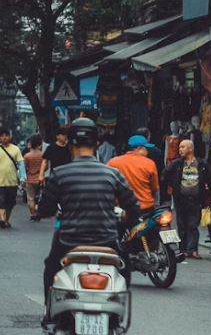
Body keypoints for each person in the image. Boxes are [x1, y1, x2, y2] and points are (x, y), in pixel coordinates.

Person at [37, 118, 140, 304]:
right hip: (107, 242)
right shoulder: (112, 174)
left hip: (69, 242)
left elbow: (44, 209)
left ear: (70, 144)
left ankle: (49, 314)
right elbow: (133, 207)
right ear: (97, 144)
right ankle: (118, 315)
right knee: (125, 269)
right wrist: (127, 220)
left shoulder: (59, 174)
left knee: (50, 269)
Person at [163, 139, 211, 259]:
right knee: (181, 224)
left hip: (196, 199)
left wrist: (210, 197)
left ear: (191, 149)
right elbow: (165, 175)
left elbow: (210, 180)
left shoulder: (202, 164)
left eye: (183, 147)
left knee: (193, 224)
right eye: (180, 147)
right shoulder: (177, 164)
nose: (180, 150)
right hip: (181, 199)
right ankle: (183, 249)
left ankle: (193, 250)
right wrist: (174, 185)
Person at [108, 135, 160, 213]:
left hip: (122, 210)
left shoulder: (113, 162)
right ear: (139, 148)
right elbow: (155, 188)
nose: (147, 152)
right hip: (145, 209)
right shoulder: (149, 163)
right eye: (146, 148)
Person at [0, 127, 27, 228]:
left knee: (10, 203)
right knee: (1, 201)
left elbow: (21, 164)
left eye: (6, 136)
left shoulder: (15, 149)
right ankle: (2, 219)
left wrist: (23, 178)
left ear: (10, 137)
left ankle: (6, 220)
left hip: (12, 181)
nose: (4, 138)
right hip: (0, 182)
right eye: (2, 136)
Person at [23, 135, 45, 222]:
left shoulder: (27, 156)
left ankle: (33, 213)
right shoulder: (43, 155)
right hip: (40, 179)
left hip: (30, 179)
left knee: (30, 198)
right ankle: (38, 211)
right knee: (40, 197)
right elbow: (46, 167)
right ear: (40, 145)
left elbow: (24, 167)